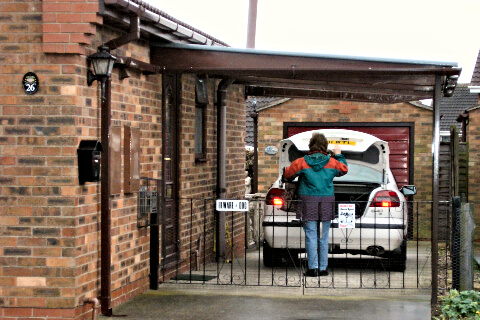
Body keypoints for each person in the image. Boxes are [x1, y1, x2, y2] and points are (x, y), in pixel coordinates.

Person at [283, 132, 348, 277]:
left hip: (308, 200)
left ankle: (313, 268)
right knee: (324, 235)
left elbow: (287, 175)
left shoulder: (302, 162)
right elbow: (344, 169)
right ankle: (323, 268)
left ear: (310, 145)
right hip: (326, 200)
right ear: (325, 146)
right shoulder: (332, 162)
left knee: (311, 234)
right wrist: (338, 154)